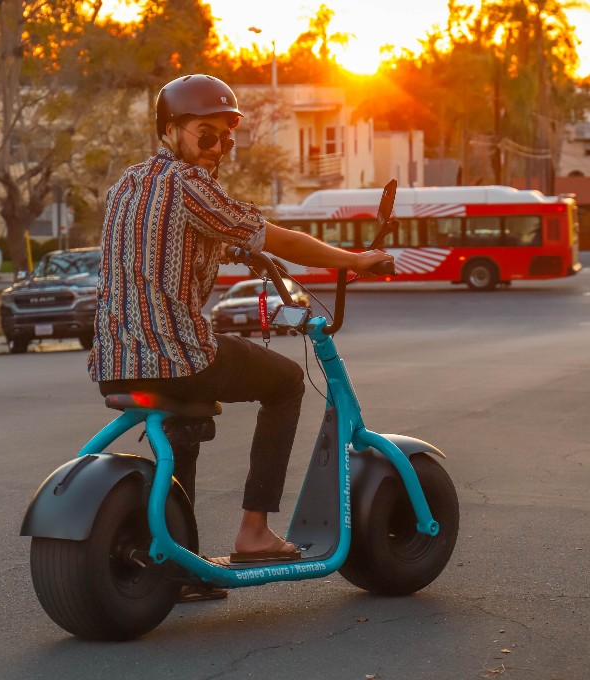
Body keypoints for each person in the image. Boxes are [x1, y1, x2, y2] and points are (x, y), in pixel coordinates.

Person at [87, 74, 393, 600]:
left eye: (228, 137)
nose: (219, 146)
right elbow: (276, 235)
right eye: (207, 134)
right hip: (175, 352)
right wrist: (353, 259)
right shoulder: (189, 185)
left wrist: (238, 251)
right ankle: (254, 532)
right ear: (170, 131)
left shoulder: (127, 186)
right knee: (286, 380)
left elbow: (170, 245)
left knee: (183, 422)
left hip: (115, 360)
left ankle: (178, 567)